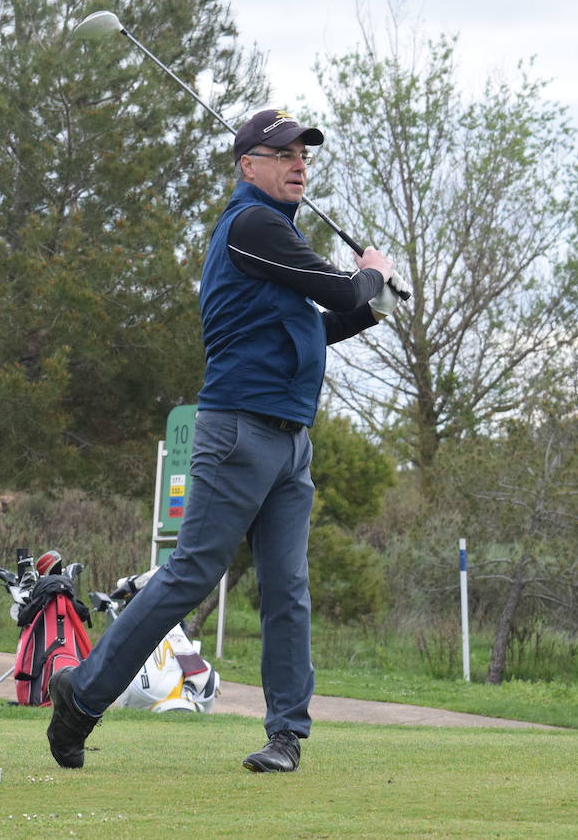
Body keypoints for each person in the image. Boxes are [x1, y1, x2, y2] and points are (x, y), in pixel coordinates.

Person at [47, 109, 402, 773]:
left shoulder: (274, 243)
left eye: (304, 154)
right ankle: (83, 694)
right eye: (283, 153)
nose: (299, 164)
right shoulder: (252, 226)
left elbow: (314, 329)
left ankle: (285, 736)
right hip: (238, 432)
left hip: (291, 441)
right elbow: (340, 285)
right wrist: (371, 275)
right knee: (192, 574)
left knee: (288, 589)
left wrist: (367, 305)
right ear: (249, 166)